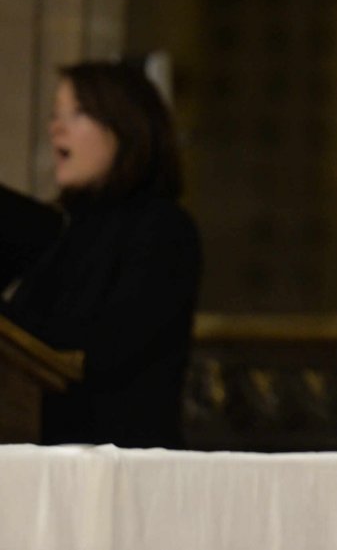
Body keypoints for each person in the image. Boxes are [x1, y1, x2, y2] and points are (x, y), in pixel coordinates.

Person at [0, 60, 201, 448]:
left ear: (126, 128)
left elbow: (105, 349)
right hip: (45, 456)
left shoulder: (163, 229)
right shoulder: (63, 230)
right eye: (55, 115)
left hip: (118, 463)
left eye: (77, 113)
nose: (55, 127)